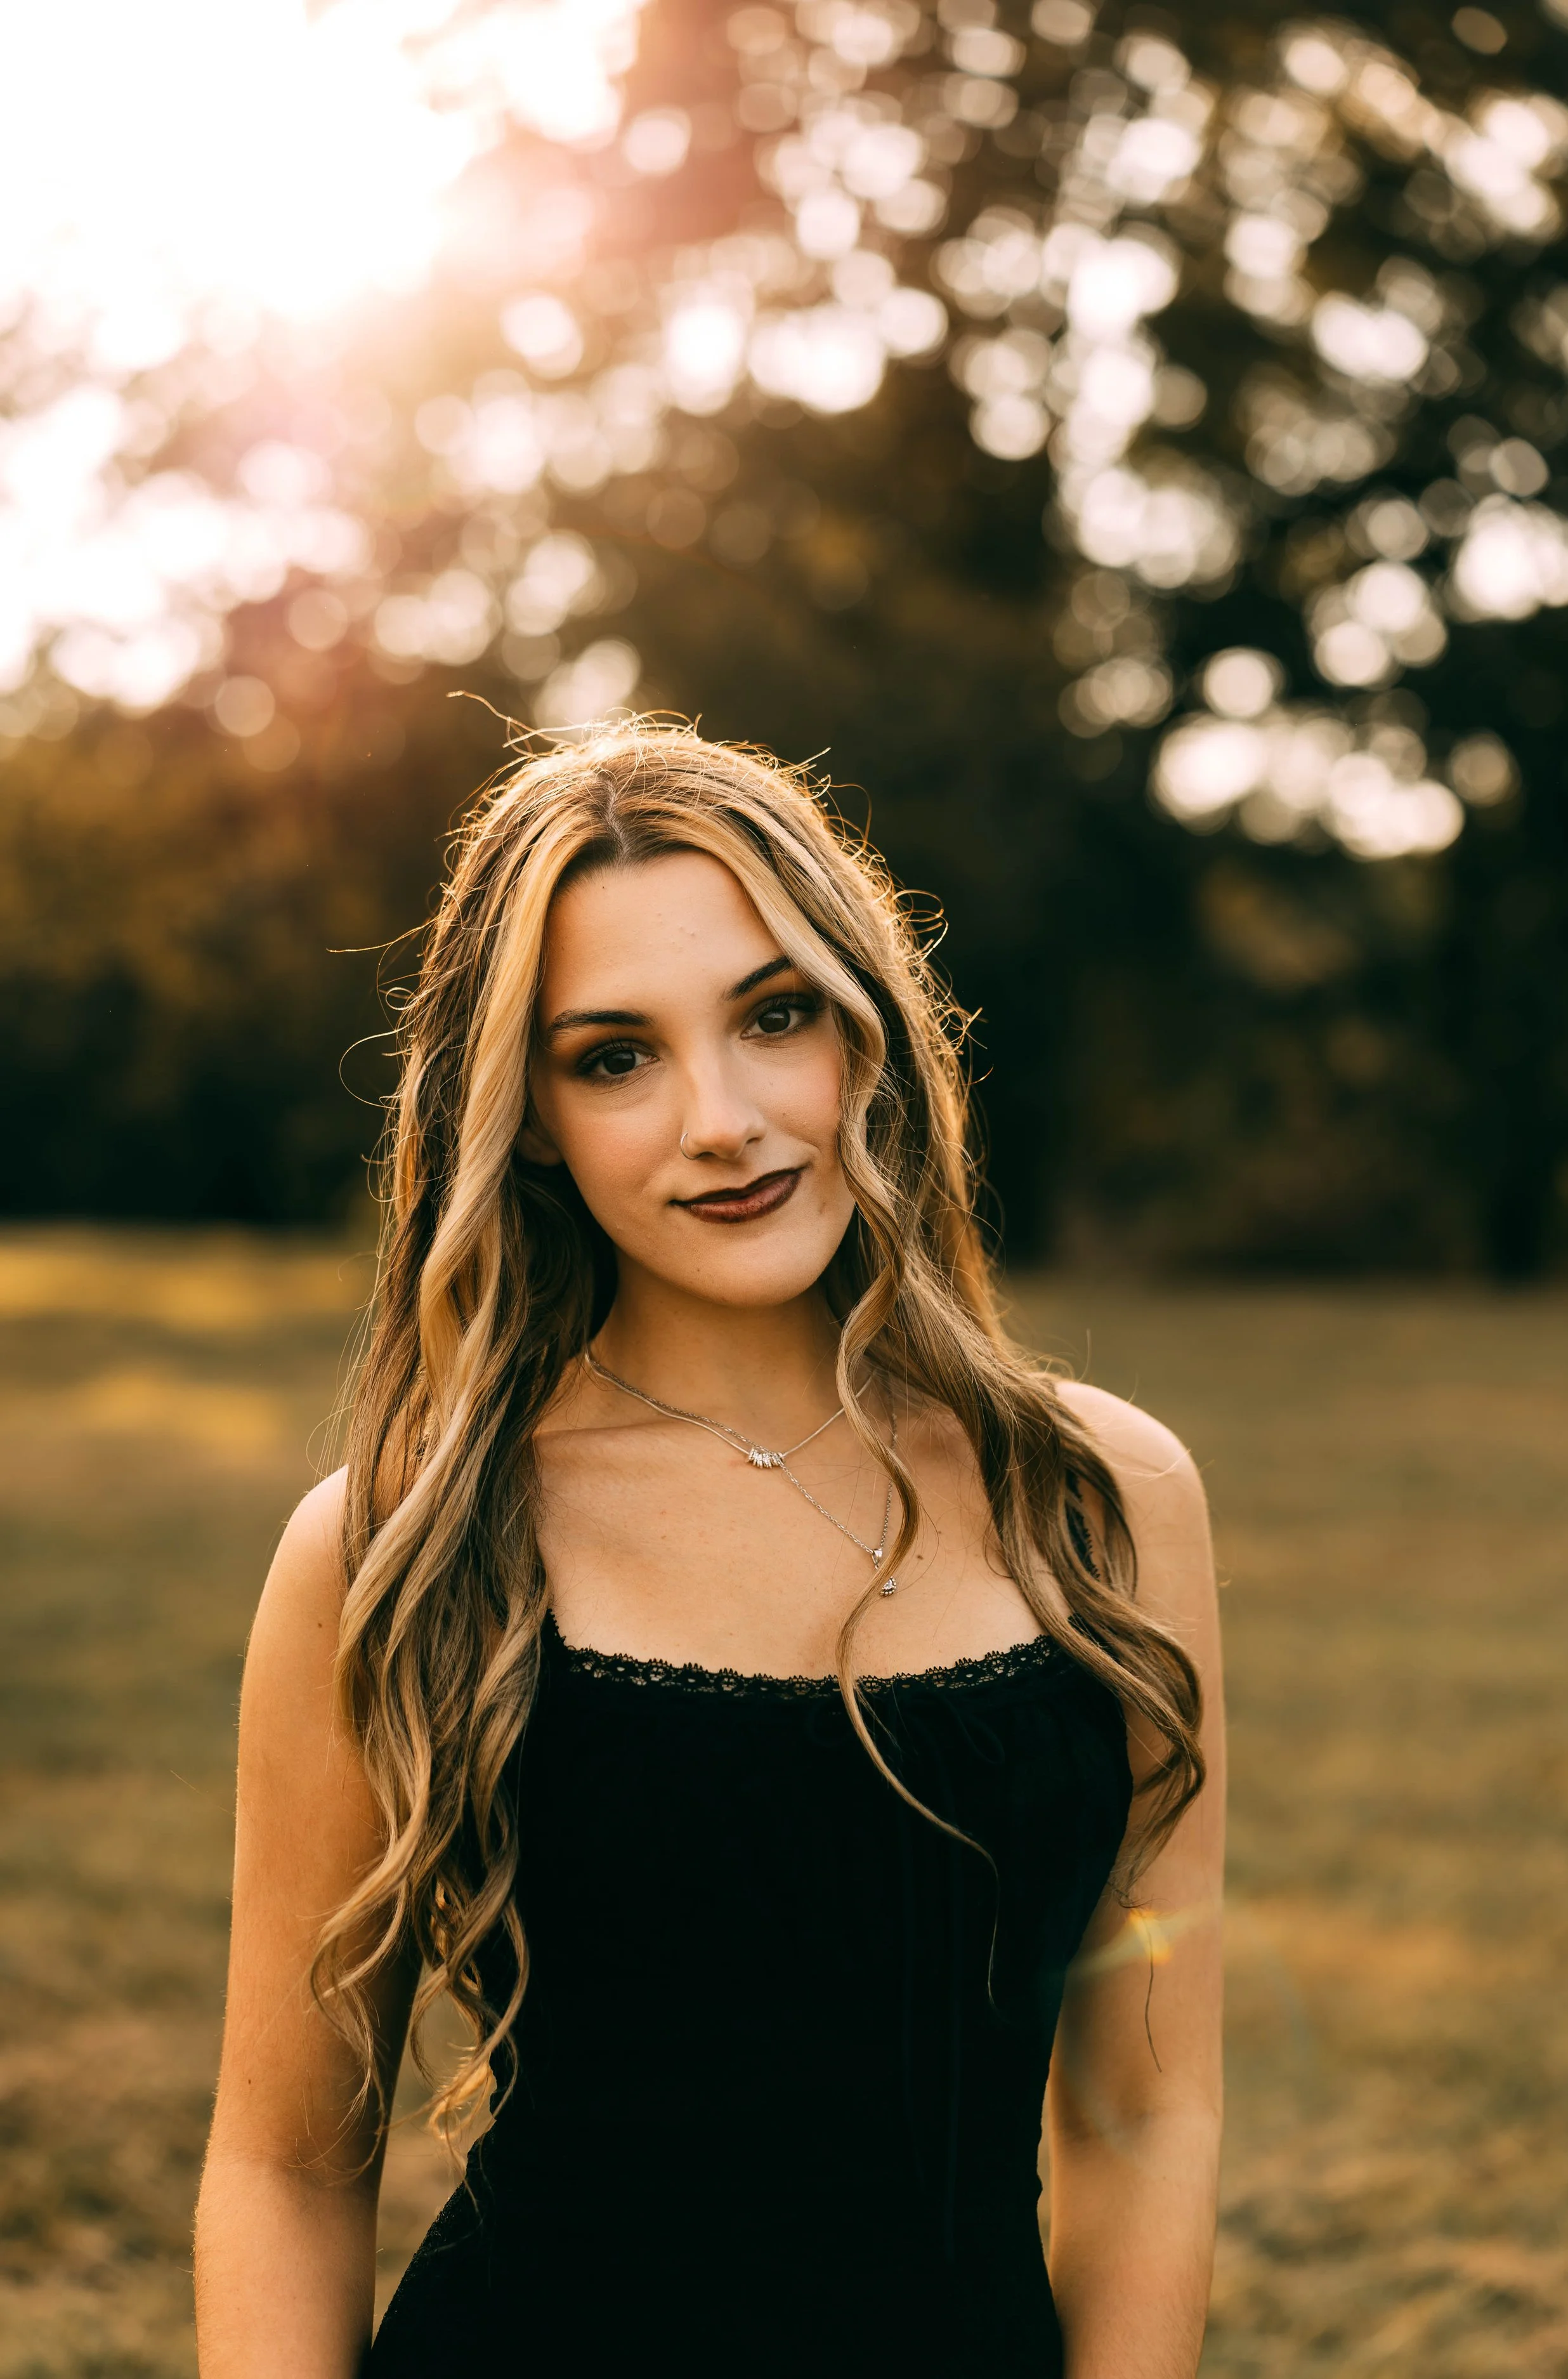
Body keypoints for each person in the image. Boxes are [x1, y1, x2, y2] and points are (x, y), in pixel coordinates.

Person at [193, 725, 1224, 2378]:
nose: (722, 1120)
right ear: (525, 1114)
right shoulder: (403, 1545)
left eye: (772, 1014)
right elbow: (287, 2163)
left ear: (864, 1031)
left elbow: (1147, 2111)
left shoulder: (1100, 1498)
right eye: (613, 1056)